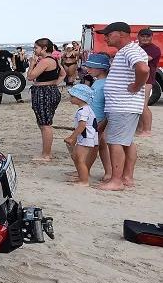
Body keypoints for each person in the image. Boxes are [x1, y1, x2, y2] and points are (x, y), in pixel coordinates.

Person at [95, 22, 151, 191]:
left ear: (120, 34)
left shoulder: (130, 50)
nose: (105, 38)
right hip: (124, 105)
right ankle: (126, 177)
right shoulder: (128, 50)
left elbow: (143, 69)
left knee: (116, 142)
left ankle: (116, 180)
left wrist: (136, 85)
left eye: (108, 34)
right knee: (126, 141)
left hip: (123, 105)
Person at [27, 38, 63, 161]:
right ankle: (46, 152)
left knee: (45, 124)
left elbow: (30, 76)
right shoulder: (54, 60)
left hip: (44, 92)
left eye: (36, 47)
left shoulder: (45, 61)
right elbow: (62, 74)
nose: (34, 50)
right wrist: (54, 83)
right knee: (44, 122)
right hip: (50, 91)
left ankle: (46, 154)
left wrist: (32, 64)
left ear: (44, 48)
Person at [83, 53, 112, 181]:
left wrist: (104, 122)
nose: (87, 69)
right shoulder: (98, 82)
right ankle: (108, 172)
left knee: (93, 146)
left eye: (91, 67)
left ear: (101, 69)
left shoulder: (105, 84)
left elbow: (108, 105)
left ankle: (85, 171)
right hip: (95, 118)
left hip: (99, 120)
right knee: (101, 146)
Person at [64, 84, 99, 184]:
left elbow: (82, 125)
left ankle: (84, 181)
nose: (70, 98)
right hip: (90, 137)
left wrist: (72, 138)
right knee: (78, 157)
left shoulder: (82, 111)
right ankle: (81, 177)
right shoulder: (88, 109)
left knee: (79, 159)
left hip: (85, 138)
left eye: (72, 96)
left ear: (80, 98)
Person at [137, 28, 158, 136]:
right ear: (138, 36)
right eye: (143, 36)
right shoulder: (138, 47)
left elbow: (145, 59)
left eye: (148, 36)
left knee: (143, 105)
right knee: (138, 105)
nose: (145, 38)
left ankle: (147, 130)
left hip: (147, 80)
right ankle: (140, 129)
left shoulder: (154, 49)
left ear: (151, 37)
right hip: (138, 79)